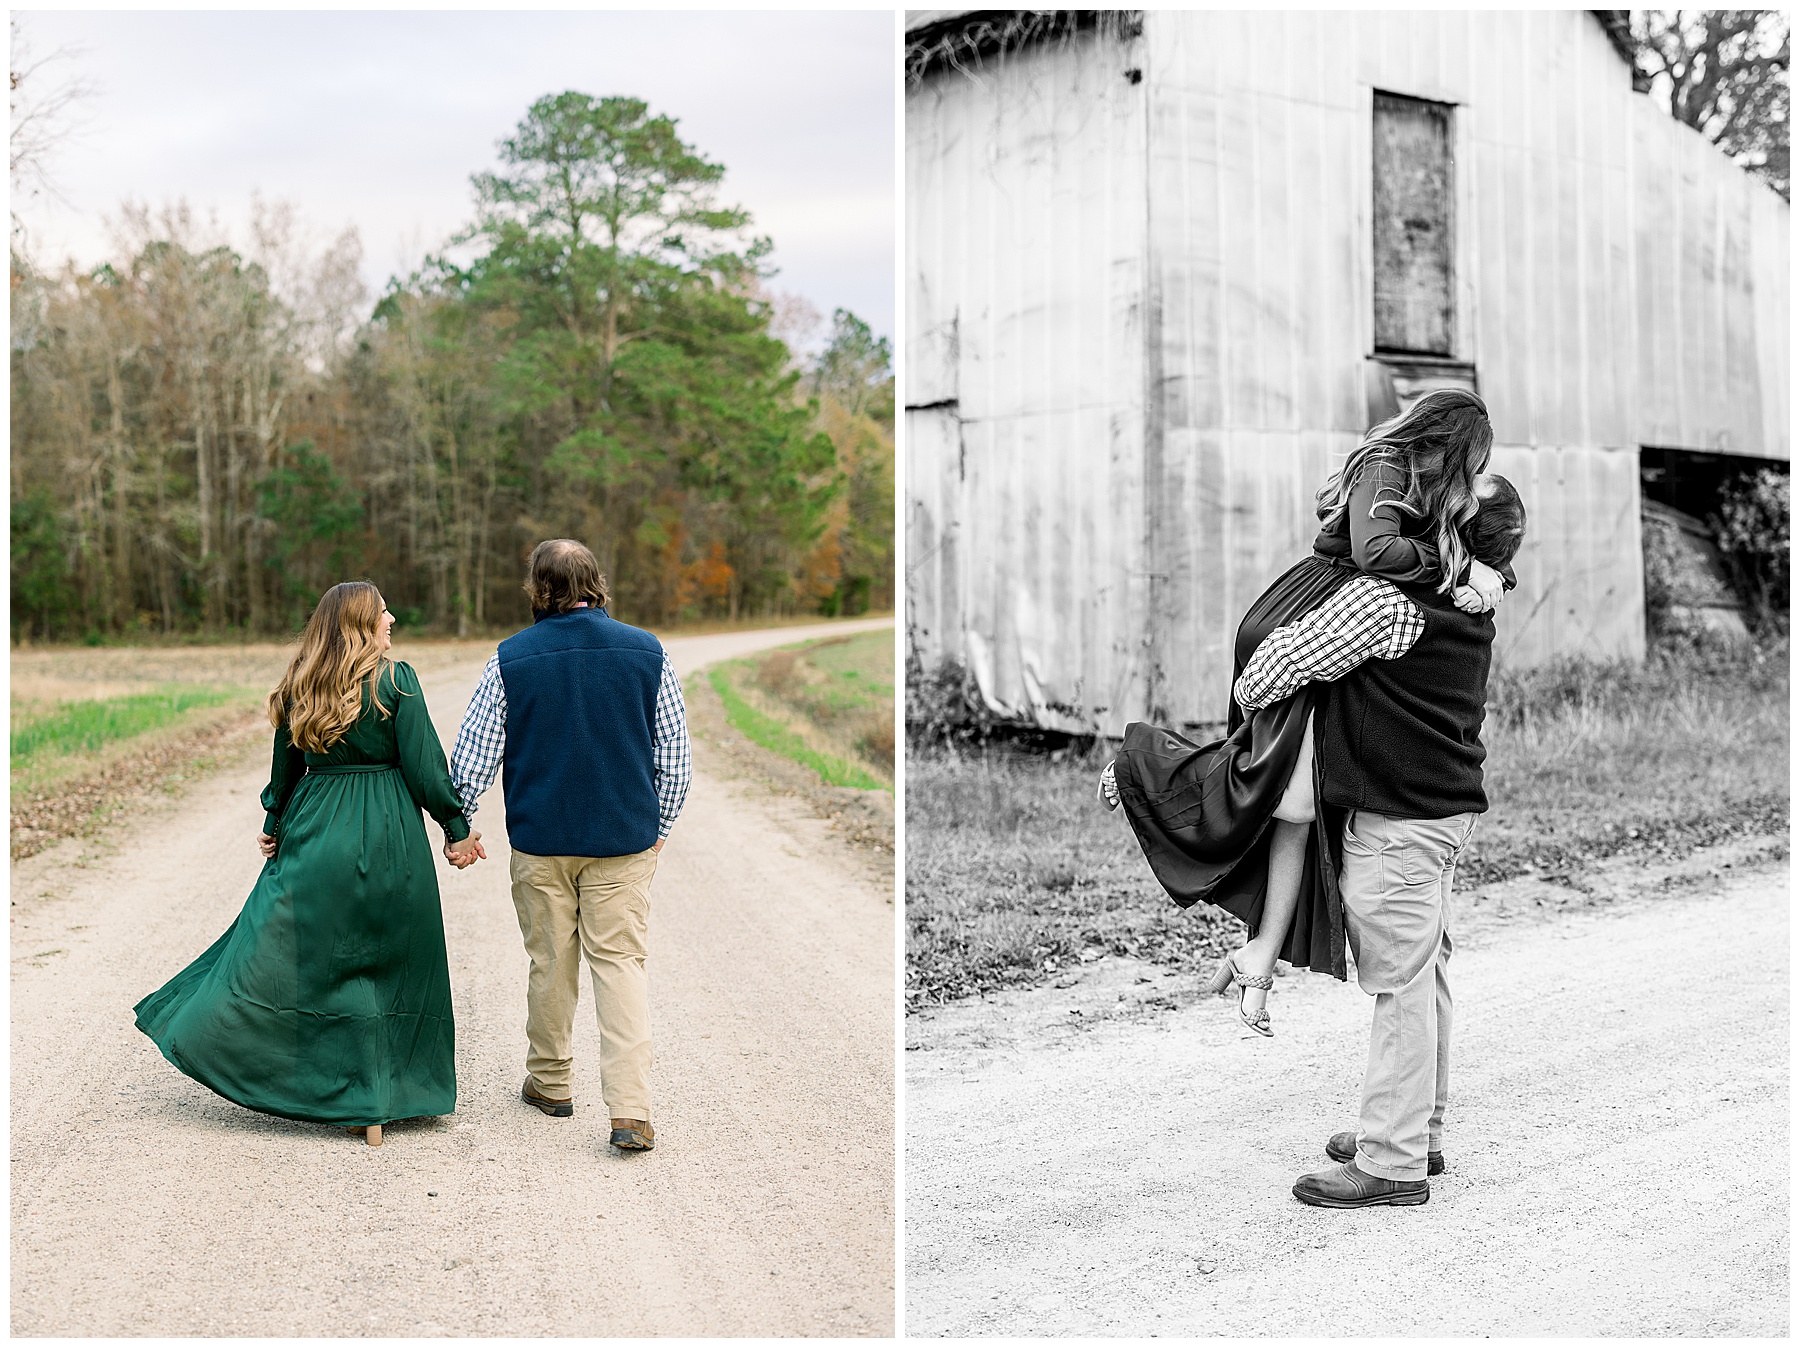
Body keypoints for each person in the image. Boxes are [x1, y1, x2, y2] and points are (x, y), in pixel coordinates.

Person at [1103, 389, 1511, 1035]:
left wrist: (1480, 570)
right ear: (1451, 443)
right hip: (1304, 609)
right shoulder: (1387, 464)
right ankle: (1145, 767)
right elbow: (1378, 556)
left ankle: (1260, 956)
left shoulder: (1414, 484)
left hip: (1331, 609)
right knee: (1278, 781)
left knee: (1298, 808)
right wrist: (1453, 562)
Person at [1228, 482, 1529, 1207]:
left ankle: (1390, 1160)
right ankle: (1416, 1130)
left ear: (1444, 530)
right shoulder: (1471, 598)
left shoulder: (1390, 603)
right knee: (1425, 972)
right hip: (1444, 809)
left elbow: (1264, 675)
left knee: (1399, 982)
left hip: (1398, 821)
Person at [135, 581, 481, 1149]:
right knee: (390, 957)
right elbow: (423, 766)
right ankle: (382, 1097)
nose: (392, 618)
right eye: (382, 612)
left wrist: (273, 826)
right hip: (389, 828)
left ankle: (329, 1088)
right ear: (360, 626)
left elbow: (284, 772)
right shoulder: (397, 680)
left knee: (311, 958)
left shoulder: (301, 683)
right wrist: (457, 829)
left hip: (318, 827)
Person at [450, 539, 691, 1153]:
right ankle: (631, 1111)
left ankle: (552, 1082)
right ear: (596, 583)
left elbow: (473, 756)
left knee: (549, 962)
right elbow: (675, 757)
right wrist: (658, 826)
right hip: (624, 841)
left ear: (538, 588)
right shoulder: (648, 652)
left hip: (542, 841)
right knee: (620, 965)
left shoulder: (511, 659)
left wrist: (461, 822)